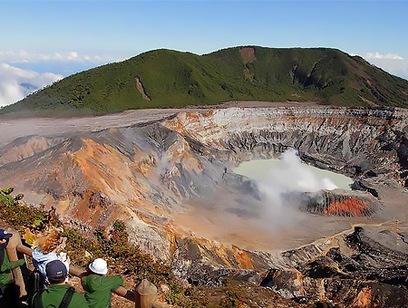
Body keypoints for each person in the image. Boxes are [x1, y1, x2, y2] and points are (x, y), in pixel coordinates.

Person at [0, 228, 25, 307]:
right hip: (4, 282)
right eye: (5, 238)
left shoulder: (2, 248)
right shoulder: (0, 251)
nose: (7, 240)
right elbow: (3, 267)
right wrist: (19, 262)